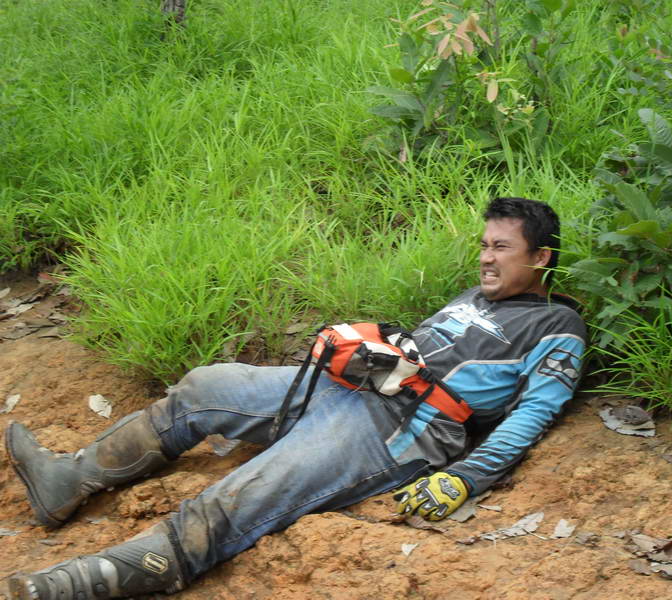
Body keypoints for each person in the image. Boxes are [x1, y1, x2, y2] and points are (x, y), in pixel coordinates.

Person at [5, 197, 586, 600]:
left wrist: (465, 478)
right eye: (483, 245)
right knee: (206, 387)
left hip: (395, 431)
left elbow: (533, 414)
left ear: (540, 257)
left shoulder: (558, 327)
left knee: (244, 491)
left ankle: (95, 577)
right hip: (345, 386)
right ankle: (68, 480)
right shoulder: (473, 296)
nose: (485, 257)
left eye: (501, 248)